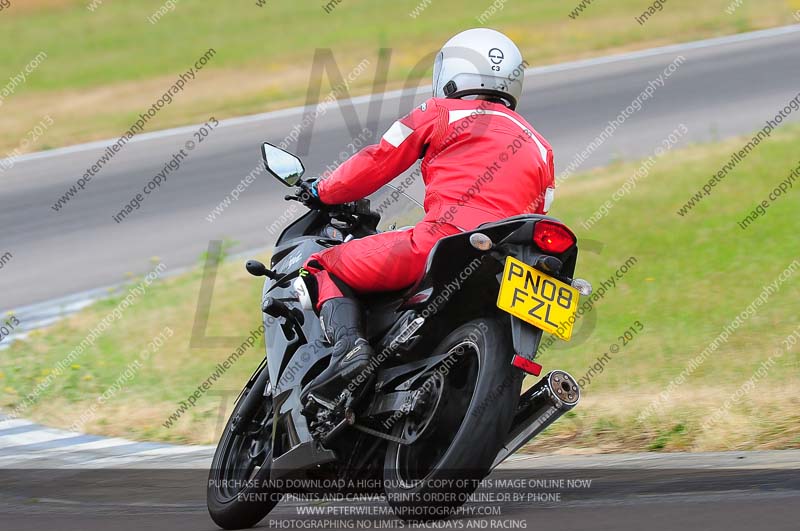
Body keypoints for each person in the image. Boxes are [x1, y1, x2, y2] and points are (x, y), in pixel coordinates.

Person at [300, 28, 556, 410]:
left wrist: (322, 191)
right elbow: (543, 206)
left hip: (442, 241)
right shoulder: (540, 144)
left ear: (451, 73)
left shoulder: (440, 112)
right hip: (514, 260)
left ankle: (349, 351)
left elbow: (379, 159)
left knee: (324, 263)